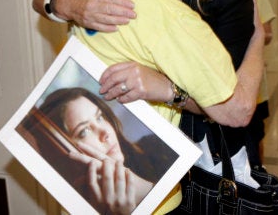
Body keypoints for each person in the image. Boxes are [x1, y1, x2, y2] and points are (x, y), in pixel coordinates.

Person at [44, 0, 262, 213]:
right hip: (155, 170)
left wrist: (166, 89)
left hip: (205, 148)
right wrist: (67, 2)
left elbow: (234, 107)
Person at [27, 87, 176, 215]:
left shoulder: (156, 146)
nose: (105, 132)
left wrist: (145, 191)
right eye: (84, 131)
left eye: (99, 118)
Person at [238, 0, 276, 168]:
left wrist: (251, 34)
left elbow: (269, 34)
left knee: (254, 138)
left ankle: (257, 177)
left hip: (253, 88)